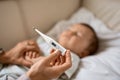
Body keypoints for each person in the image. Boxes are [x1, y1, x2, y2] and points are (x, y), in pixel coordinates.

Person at [0, 40, 72, 80]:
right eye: (68, 30)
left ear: (83, 53)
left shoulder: (73, 57)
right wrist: (6, 56)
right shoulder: (42, 43)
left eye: (77, 34)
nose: (69, 33)